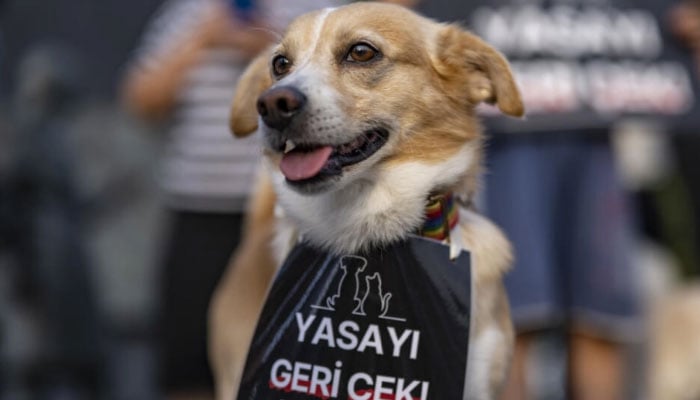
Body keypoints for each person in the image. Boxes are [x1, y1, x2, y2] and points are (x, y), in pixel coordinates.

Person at [121, 0, 344, 397]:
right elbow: (141, 98)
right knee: (189, 361)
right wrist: (202, 38)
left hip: (288, 216)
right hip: (197, 211)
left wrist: (267, 52)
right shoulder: (188, 14)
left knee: (297, 356)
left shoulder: (311, 14)